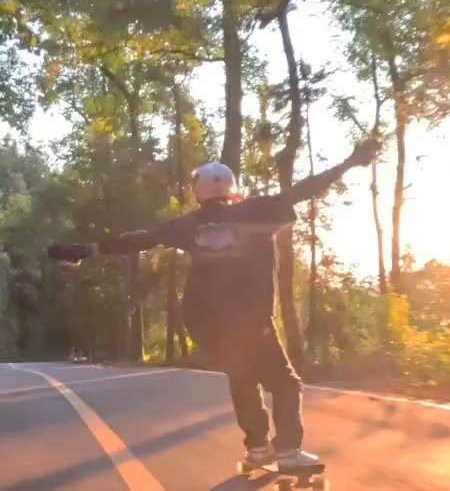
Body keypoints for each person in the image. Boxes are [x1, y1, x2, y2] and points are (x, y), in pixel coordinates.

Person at [48, 136, 383, 473]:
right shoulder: (257, 210)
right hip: (251, 319)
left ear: (198, 192)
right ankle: (287, 452)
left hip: (204, 323)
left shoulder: (185, 225)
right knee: (284, 383)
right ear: (233, 189)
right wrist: (350, 162)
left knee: (242, 375)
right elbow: (305, 189)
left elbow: (140, 240)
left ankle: (256, 448)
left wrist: (87, 250)